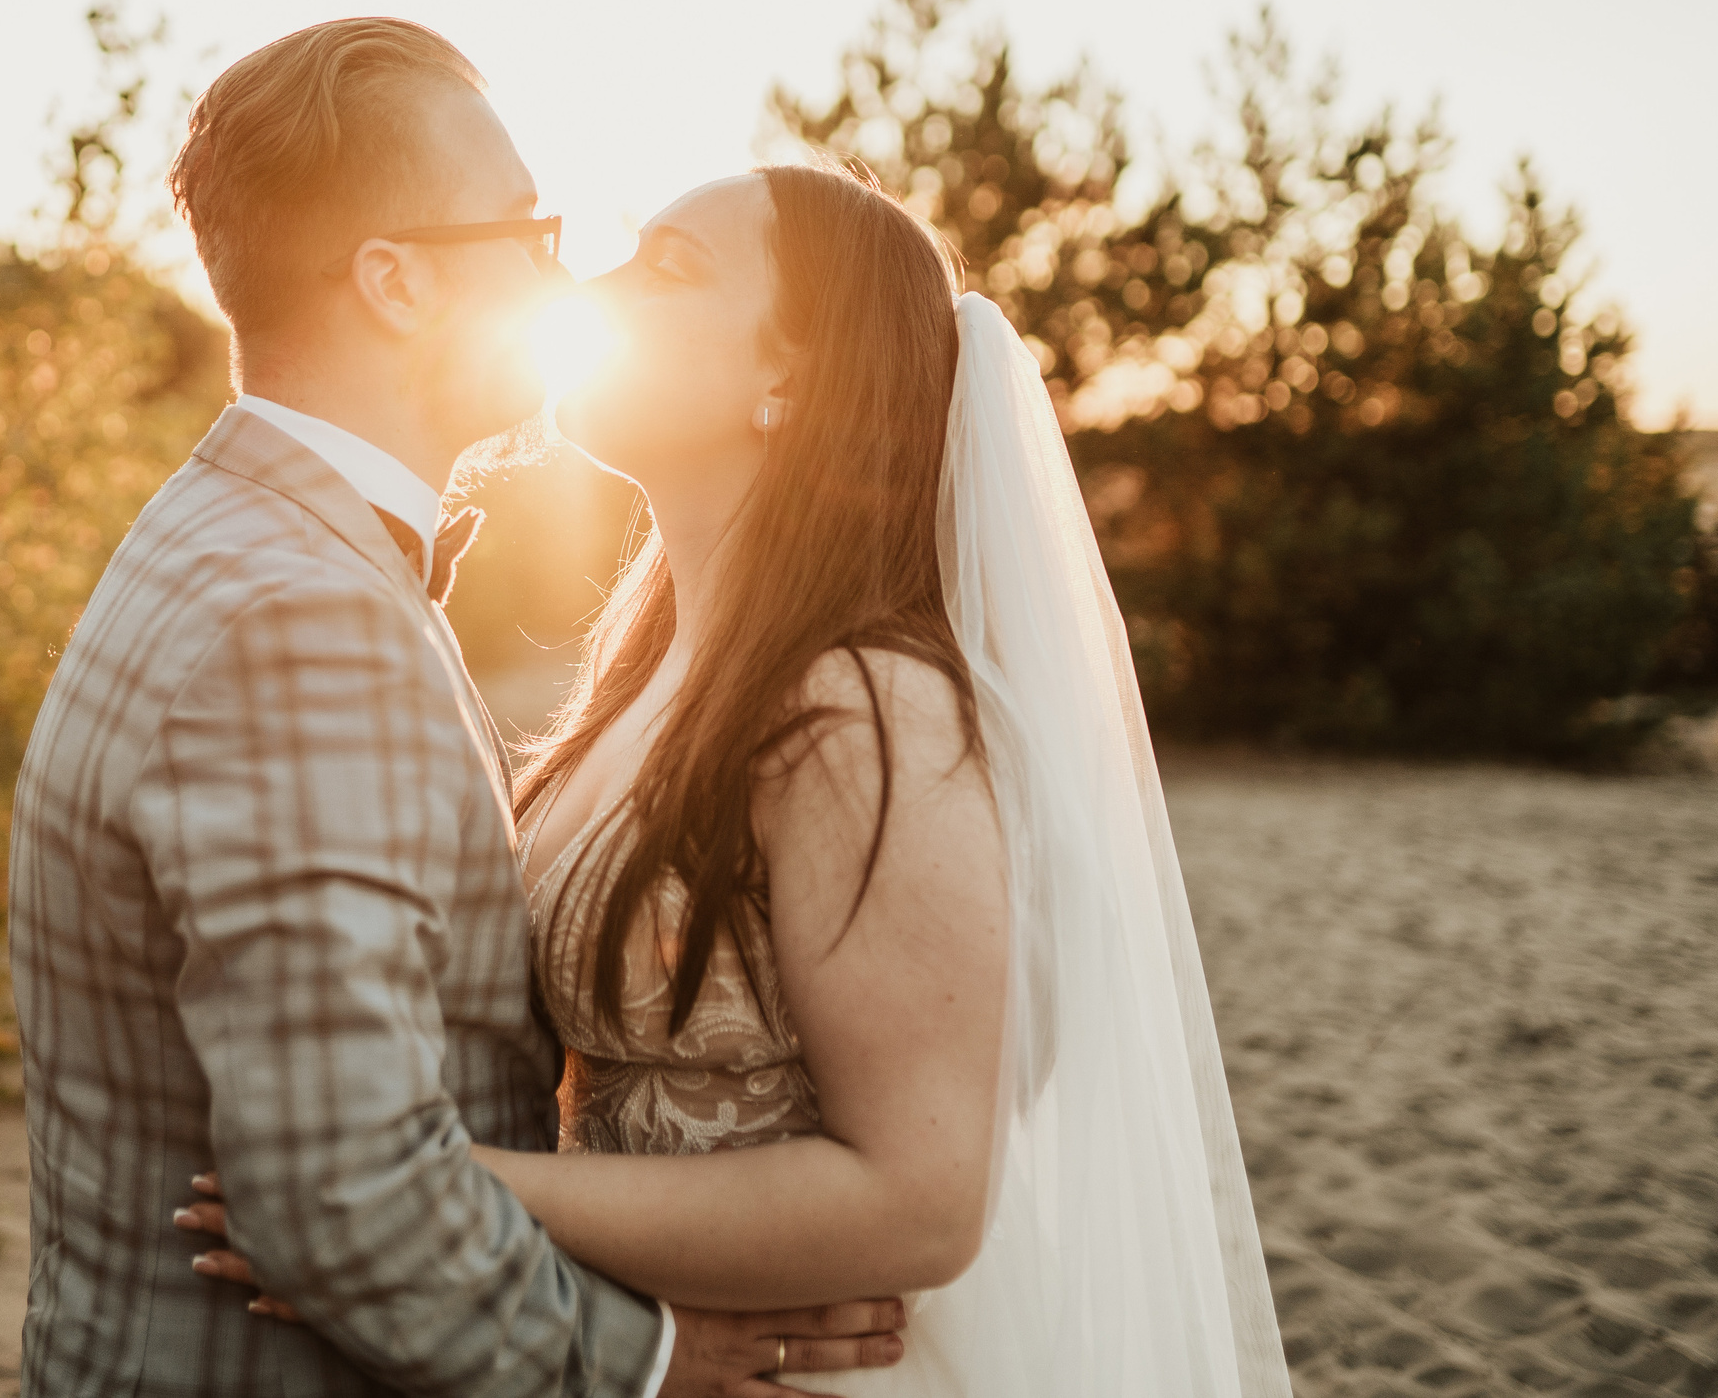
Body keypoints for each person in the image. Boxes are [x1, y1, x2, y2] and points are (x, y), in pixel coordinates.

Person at [183, 163, 1293, 1396]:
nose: (589, 289)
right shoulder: (653, 671)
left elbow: (921, 1201)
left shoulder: (859, 712)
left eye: (669, 267)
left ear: (788, 379)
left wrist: (435, 1195)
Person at [6, 20, 908, 1397]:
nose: (567, 275)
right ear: (398, 281)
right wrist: (657, 1362)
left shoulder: (243, 538)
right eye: (527, 231)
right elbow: (344, 1192)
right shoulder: (301, 618)